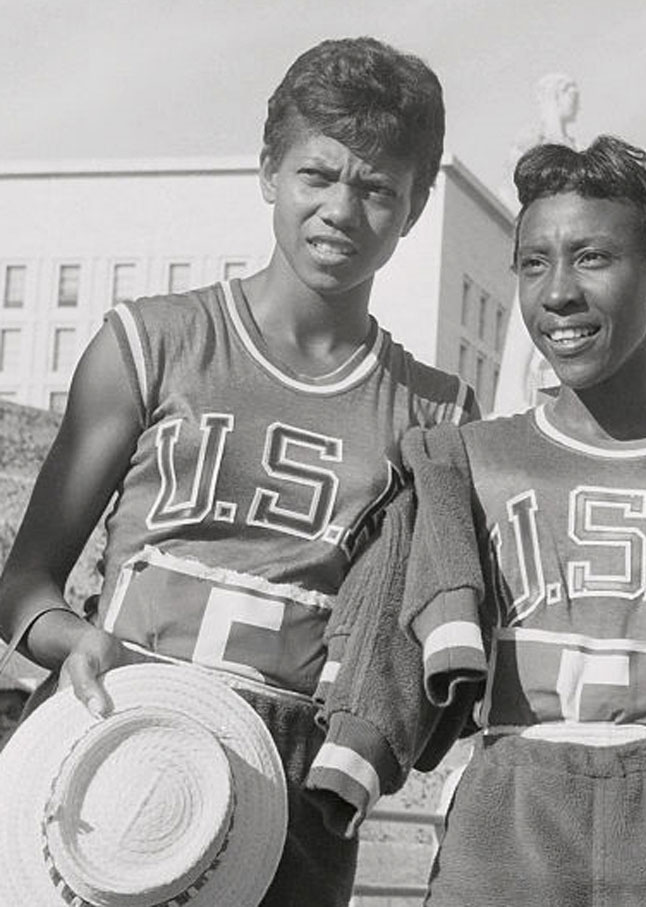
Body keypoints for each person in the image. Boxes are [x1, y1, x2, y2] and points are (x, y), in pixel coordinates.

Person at [0, 36, 475, 906]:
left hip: (292, 781)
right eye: (317, 174)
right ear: (267, 170)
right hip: (120, 737)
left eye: (376, 188)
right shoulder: (149, 343)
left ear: (414, 207)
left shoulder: (437, 416)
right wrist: (72, 637)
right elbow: (22, 585)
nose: (341, 208)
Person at [402, 135, 646, 905]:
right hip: (511, 823)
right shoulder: (467, 460)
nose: (558, 292)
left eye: (592, 257)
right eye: (534, 262)